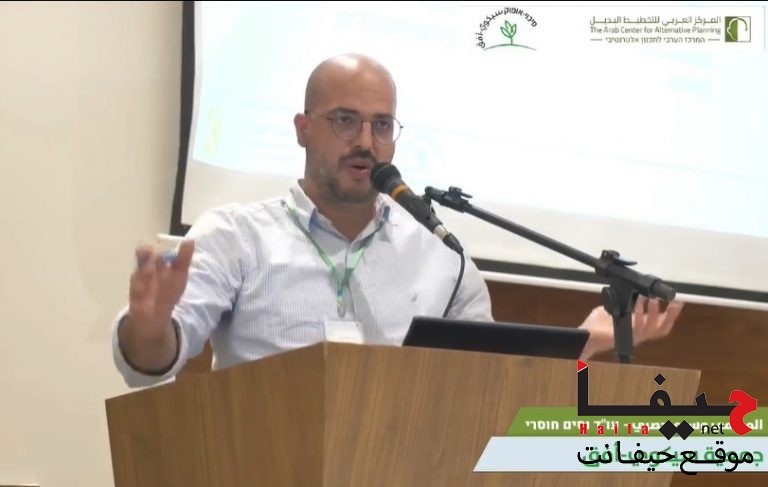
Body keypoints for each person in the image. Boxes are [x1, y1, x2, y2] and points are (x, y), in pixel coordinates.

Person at [112, 53, 684, 388]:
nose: (366, 141)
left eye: (382, 125)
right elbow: (146, 366)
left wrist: (584, 341)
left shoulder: (439, 252)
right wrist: (152, 325)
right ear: (302, 129)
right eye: (345, 120)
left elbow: (491, 383)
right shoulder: (235, 236)